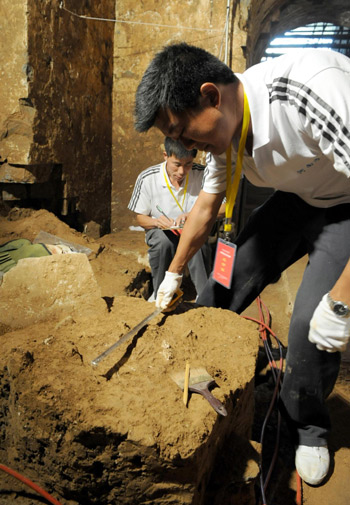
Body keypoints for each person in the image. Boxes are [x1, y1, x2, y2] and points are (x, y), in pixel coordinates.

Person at [134, 42, 350, 486]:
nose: (189, 149)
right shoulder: (224, 133)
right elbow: (207, 204)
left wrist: (343, 301)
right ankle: (203, 369)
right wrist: (174, 271)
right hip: (297, 198)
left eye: (186, 134)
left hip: (346, 206)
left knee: (311, 325)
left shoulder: (314, 88)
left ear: (212, 96)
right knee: (221, 284)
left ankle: (308, 428)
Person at [128, 136, 221, 300]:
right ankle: (160, 293)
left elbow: (224, 208)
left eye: (188, 164)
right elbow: (141, 218)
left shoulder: (203, 174)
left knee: (196, 239)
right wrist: (156, 222)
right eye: (177, 164)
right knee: (162, 242)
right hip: (161, 231)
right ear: (165, 156)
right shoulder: (148, 177)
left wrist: (192, 216)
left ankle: (204, 296)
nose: (181, 171)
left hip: (193, 229)